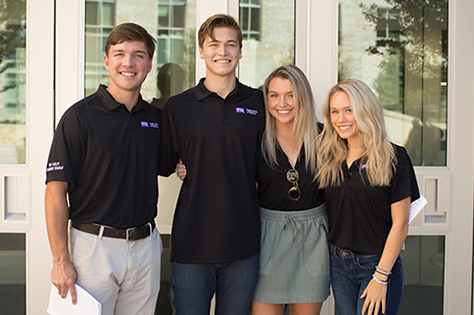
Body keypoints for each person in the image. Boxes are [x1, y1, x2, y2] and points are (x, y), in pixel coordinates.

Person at [44, 22, 162, 315]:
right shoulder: (79, 117)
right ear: (107, 61)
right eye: (120, 53)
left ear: (148, 64)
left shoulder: (156, 119)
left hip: (146, 247)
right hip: (92, 249)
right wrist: (61, 260)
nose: (129, 62)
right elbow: (55, 192)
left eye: (138, 55)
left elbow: (173, 161)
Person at [159, 14, 265, 315]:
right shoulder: (179, 106)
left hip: (244, 245)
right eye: (214, 44)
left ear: (241, 51)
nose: (223, 52)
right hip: (193, 245)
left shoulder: (258, 103)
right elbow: (165, 161)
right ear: (201, 51)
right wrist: (183, 162)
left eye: (231, 44)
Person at [316, 79, 420, 315]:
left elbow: (401, 224)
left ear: (365, 110)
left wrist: (381, 278)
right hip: (338, 264)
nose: (340, 119)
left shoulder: (394, 157)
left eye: (349, 110)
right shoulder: (330, 157)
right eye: (335, 112)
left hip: (377, 264)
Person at [250, 65, 330, 315]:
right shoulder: (255, 139)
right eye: (274, 95)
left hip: (314, 239)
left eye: (290, 95)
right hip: (267, 238)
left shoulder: (324, 138)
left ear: (302, 97)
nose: (281, 103)